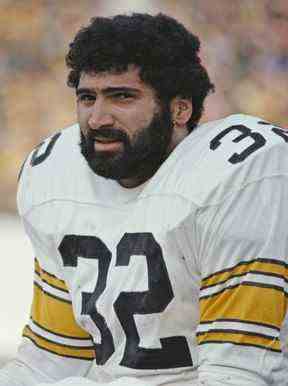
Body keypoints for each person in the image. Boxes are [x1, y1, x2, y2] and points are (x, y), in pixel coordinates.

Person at [0, 12, 287, 386]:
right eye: (88, 97)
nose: (98, 118)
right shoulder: (56, 172)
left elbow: (240, 375)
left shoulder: (242, 174)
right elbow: (52, 359)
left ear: (179, 108)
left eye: (122, 97)